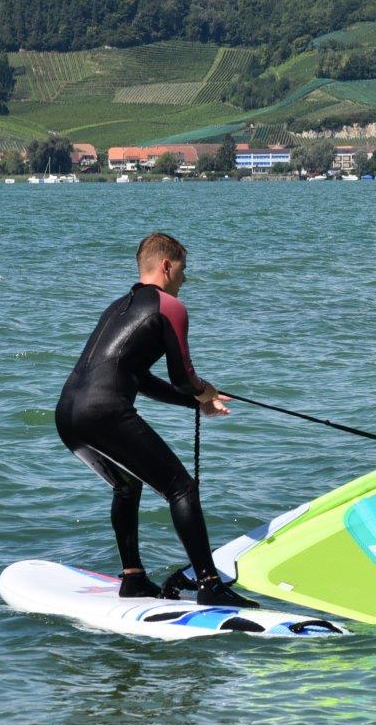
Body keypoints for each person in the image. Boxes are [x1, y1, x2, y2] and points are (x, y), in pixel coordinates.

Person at [55, 232, 258, 607]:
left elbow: (141, 380)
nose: (185, 279)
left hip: (68, 414)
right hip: (104, 412)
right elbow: (184, 377)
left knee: (127, 485)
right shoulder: (169, 307)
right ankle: (210, 584)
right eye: (183, 270)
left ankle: (132, 578)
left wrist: (196, 404)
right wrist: (205, 390)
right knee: (181, 488)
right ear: (166, 265)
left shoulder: (119, 307)